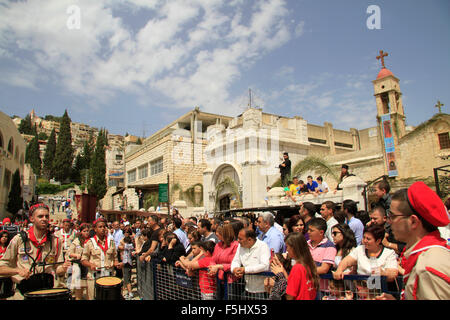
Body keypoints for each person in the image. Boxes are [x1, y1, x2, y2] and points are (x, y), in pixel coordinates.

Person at [376, 182, 450, 300]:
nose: (389, 221)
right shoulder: (426, 255)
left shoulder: (427, 268)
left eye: (392, 216)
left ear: (413, 221)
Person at [0, 204, 71, 297]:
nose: (44, 219)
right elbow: (1, 268)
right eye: (40, 216)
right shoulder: (19, 240)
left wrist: (64, 268)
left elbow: (57, 268)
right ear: (32, 219)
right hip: (23, 293)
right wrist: (17, 271)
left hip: (47, 292)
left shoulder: (55, 241)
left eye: (47, 216)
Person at [333, 224, 399, 282]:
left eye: (368, 239)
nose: (365, 241)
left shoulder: (389, 253)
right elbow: (347, 261)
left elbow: (393, 274)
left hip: (381, 291)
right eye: (364, 237)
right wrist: (339, 270)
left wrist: (383, 273)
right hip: (361, 290)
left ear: (378, 241)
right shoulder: (359, 249)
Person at [81, 218, 120, 300]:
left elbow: (115, 257)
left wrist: (116, 263)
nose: (103, 228)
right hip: (94, 277)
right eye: (100, 227)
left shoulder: (111, 241)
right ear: (95, 229)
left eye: (104, 226)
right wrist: (90, 264)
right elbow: (83, 260)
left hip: (109, 276)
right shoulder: (90, 242)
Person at [231, 228, 271, 299]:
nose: (238, 241)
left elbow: (265, 265)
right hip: (247, 289)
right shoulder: (240, 246)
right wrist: (234, 269)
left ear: (249, 239)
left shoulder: (263, 246)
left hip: (261, 290)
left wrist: (245, 270)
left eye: (240, 239)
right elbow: (236, 261)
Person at [283, 232, 319, 300]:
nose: (287, 250)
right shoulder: (309, 264)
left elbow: (290, 295)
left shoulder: (297, 268)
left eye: (287, 246)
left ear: (294, 248)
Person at [207, 224, 239, 299]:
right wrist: (213, 267)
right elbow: (213, 259)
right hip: (219, 279)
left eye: (219, 236)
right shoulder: (218, 245)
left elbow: (235, 263)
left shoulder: (235, 245)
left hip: (230, 281)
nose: (218, 238)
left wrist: (219, 266)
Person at [68, 223, 90, 300]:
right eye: (84, 231)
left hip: (88, 267)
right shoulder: (76, 241)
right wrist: (76, 255)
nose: (86, 233)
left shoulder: (91, 241)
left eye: (87, 231)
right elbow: (70, 253)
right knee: (78, 291)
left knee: (89, 291)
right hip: (78, 267)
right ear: (80, 232)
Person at [118, 228, 135, 299]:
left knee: (127, 279)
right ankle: (128, 292)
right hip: (125, 263)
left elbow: (121, 245)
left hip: (127, 263)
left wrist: (122, 242)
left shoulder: (129, 246)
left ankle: (130, 293)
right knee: (126, 278)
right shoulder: (129, 246)